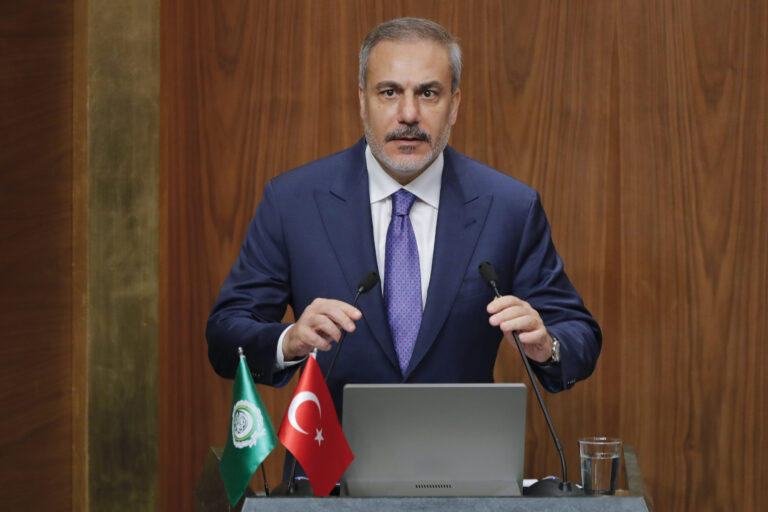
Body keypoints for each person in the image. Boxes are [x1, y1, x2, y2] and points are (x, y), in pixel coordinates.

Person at [206, 18, 601, 416]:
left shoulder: (509, 206)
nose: (408, 114)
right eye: (390, 92)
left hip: (463, 471)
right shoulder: (292, 202)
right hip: (330, 469)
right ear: (363, 100)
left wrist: (546, 345)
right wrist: (288, 340)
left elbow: (578, 333)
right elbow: (225, 336)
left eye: (428, 93)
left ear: (455, 105)